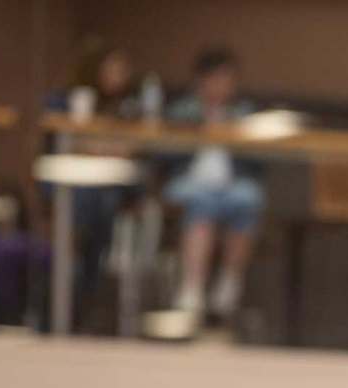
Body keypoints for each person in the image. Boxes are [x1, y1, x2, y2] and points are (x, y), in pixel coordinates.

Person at [41, 37, 141, 328]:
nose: (121, 75)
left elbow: (132, 146)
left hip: (109, 188)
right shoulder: (64, 99)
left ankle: (86, 283)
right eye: (115, 68)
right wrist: (96, 146)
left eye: (124, 69)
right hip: (70, 184)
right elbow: (61, 138)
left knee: (103, 201)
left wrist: (100, 146)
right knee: (82, 200)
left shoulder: (127, 105)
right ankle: (73, 279)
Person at [162, 45, 264, 320]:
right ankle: (192, 289)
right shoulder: (182, 110)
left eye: (228, 79)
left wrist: (236, 136)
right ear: (201, 79)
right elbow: (162, 155)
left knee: (248, 198)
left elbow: (261, 163)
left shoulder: (243, 113)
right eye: (216, 78)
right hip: (190, 181)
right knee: (201, 202)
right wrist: (198, 134)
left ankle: (228, 287)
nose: (222, 85)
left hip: (233, 183)